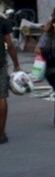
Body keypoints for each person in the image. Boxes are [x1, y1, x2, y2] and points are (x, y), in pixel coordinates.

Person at [0, 10, 23, 143]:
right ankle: (1, 134)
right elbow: (10, 44)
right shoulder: (2, 21)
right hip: (0, 64)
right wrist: (16, 64)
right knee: (1, 97)